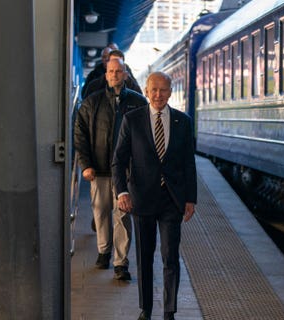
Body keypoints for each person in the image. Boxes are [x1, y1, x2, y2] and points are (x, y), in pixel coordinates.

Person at [112, 71, 197, 320]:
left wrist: (190, 199)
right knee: (145, 258)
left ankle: (169, 312)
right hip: (141, 198)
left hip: (172, 199)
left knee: (171, 257)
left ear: (171, 92)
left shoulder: (183, 122)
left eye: (163, 90)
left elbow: (188, 164)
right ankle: (145, 309)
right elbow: (118, 161)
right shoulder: (132, 119)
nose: (158, 95)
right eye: (154, 90)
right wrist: (122, 192)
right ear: (146, 92)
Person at [74, 58, 148, 280]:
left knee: (123, 216)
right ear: (105, 75)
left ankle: (120, 262)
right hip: (99, 169)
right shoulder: (91, 102)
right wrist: (85, 165)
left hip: (126, 172)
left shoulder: (138, 102)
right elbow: (80, 135)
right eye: (111, 71)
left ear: (126, 75)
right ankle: (103, 251)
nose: (114, 75)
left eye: (119, 72)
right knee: (101, 213)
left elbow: (146, 138)